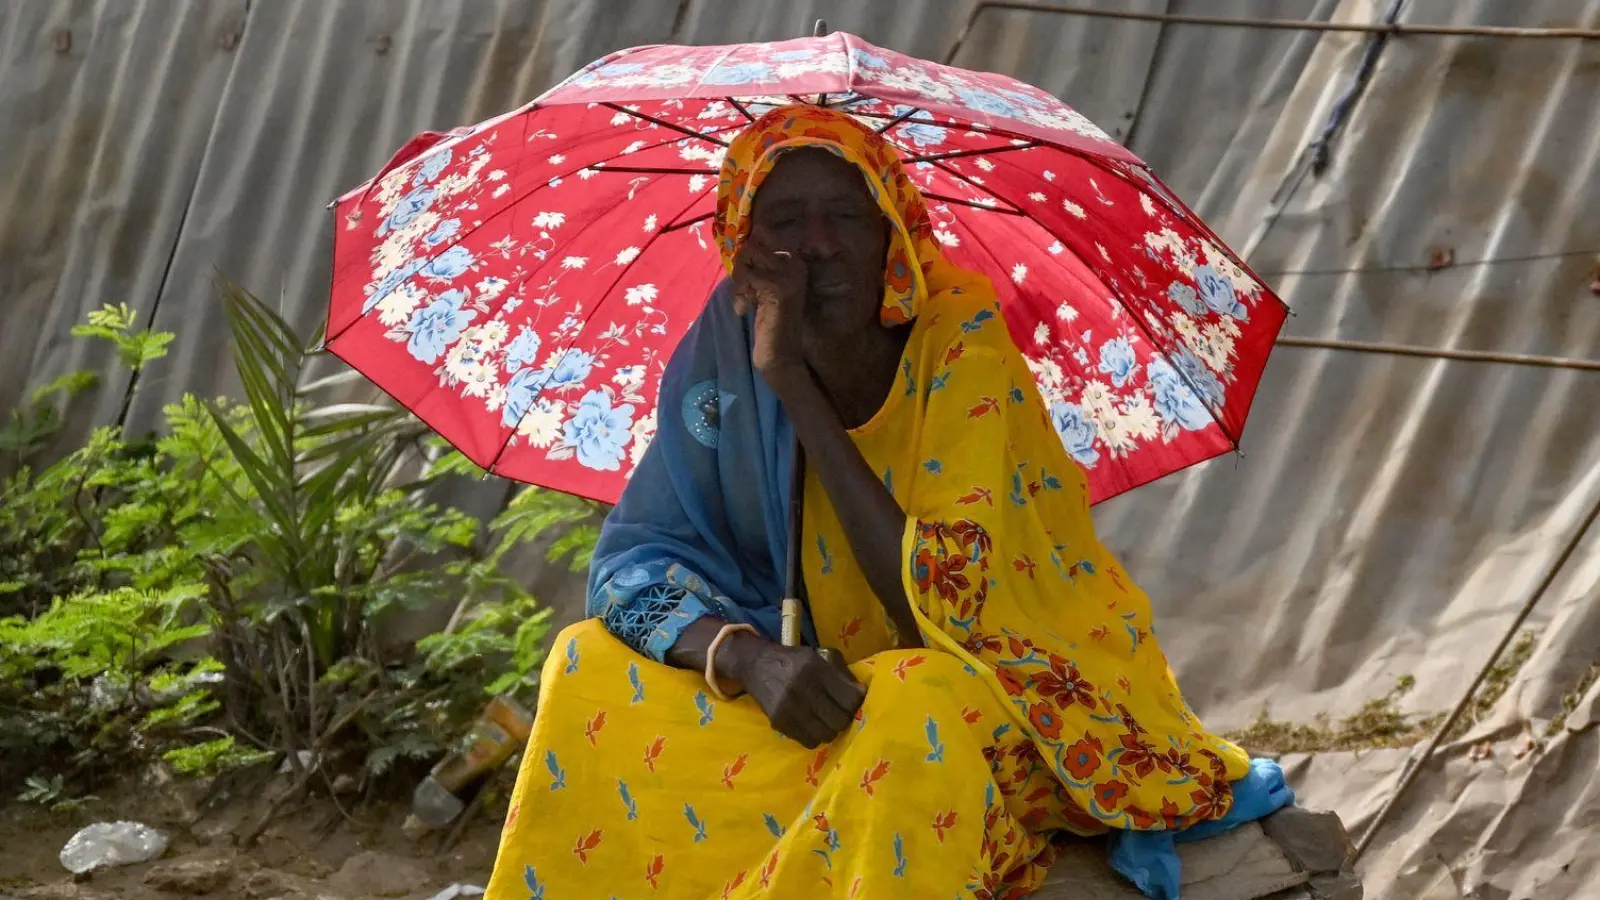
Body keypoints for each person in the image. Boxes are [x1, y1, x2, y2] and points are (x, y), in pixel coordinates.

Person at [484, 105, 1287, 900]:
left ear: (891, 232)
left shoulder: (958, 339)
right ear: (744, 241)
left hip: (991, 684)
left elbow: (934, 611)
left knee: (911, 696)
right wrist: (747, 656)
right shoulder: (726, 342)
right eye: (786, 217)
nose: (819, 243)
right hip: (819, 690)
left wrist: (793, 384)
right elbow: (633, 561)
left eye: (845, 214)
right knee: (584, 661)